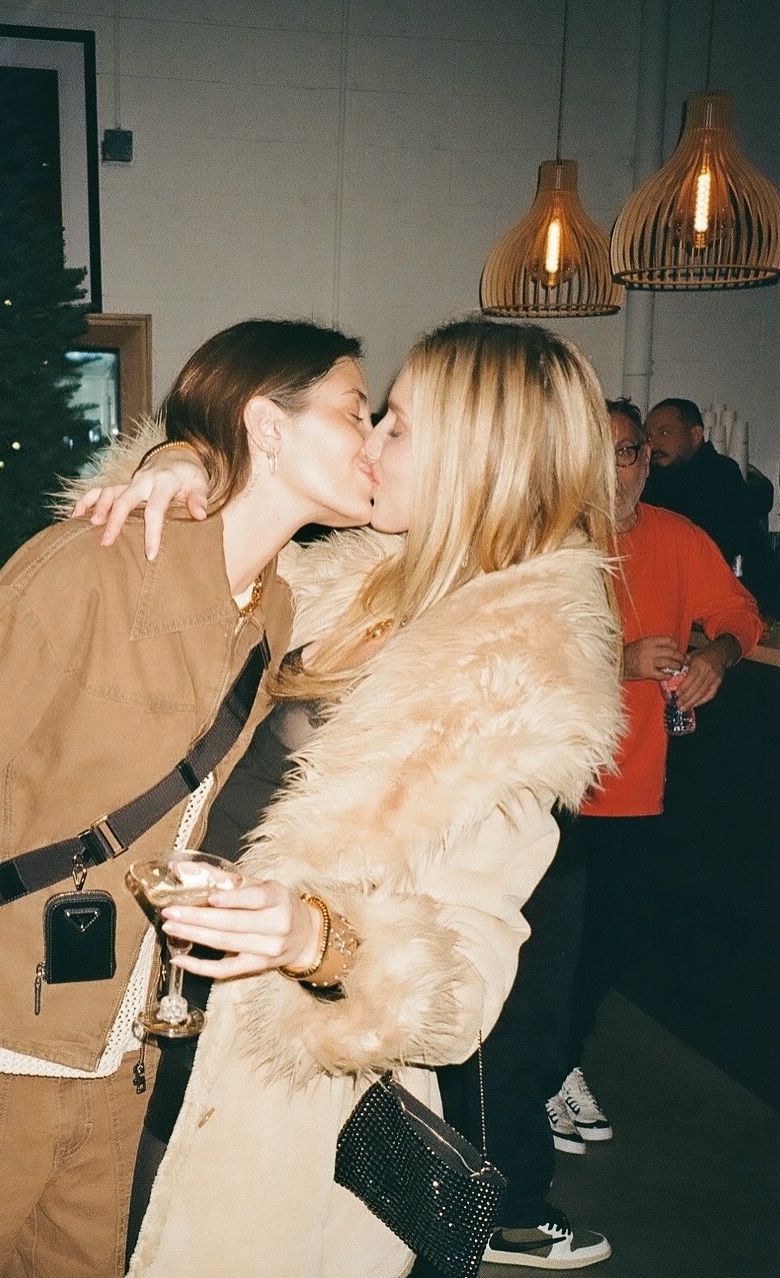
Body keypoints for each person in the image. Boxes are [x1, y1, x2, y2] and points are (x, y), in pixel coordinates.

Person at [0, 318, 380, 1278]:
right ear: (267, 426)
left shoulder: (271, 608)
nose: (372, 438)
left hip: (116, 1059)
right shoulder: (93, 565)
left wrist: (176, 459)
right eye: (356, 411)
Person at [71, 317, 626, 1278]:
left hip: (269, 1099)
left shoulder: (516, 685)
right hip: (144, 1021)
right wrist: (184, 463)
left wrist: (314, 937)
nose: (369, 442)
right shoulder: (353, 577)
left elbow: (462, 993)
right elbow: (174, 564)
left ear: (477, 462)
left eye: (397, 425)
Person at [555, 398, 763, 1121]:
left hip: (635, 786)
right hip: (554, 786)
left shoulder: (678, 537)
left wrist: (716, 655)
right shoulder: (549, 546)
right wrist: (620, 661)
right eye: (599, 454)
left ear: (645, 460)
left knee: (606, 947)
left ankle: (558, 1064)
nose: (614, 472)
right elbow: (517, 660)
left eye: (625, 452)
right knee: (548, 951)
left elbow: (740, 613)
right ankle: (536, 1078)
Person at [642, 397, 779, 617]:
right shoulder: (652, 482)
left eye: (664, 433)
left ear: (695, 435)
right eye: (648, 437)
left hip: (727, 606)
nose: (654, 444)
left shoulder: (719, 477)